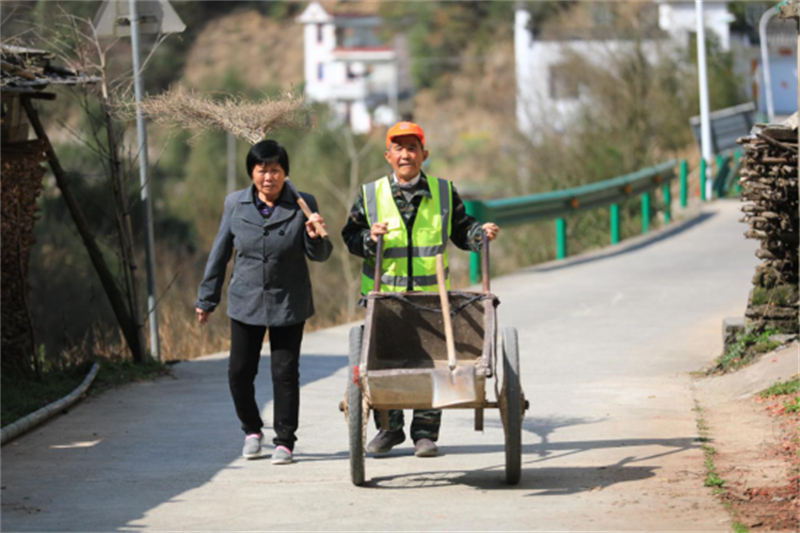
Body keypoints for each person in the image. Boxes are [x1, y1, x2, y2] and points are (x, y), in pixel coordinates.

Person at [341, 121, 499, 458]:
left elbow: (462, 228)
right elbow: (350, 236)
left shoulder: (443, 191)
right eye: (398, 148)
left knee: (432, 360)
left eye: (412, 148)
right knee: (385, 363)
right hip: (386, 296)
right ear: (388, 156)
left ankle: (425, 434)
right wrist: (369, 237)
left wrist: (479, 234)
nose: (405, 155)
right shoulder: (370, 194)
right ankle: (390, 429)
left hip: (431, 296)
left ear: (423, 154)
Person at [195, 140, 332, 464]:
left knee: (285, 373)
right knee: (239, 372)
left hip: (288, 300)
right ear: (252, 173)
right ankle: (252, 430)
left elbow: (322, 254)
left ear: (285, 173)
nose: (268, 177)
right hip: (246, 299)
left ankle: (285, 440)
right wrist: (207, 298)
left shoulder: (303, 203)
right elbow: (220, 252)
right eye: (262, 170)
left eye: (275, 170)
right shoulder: (235, 204)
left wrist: (314, 237)